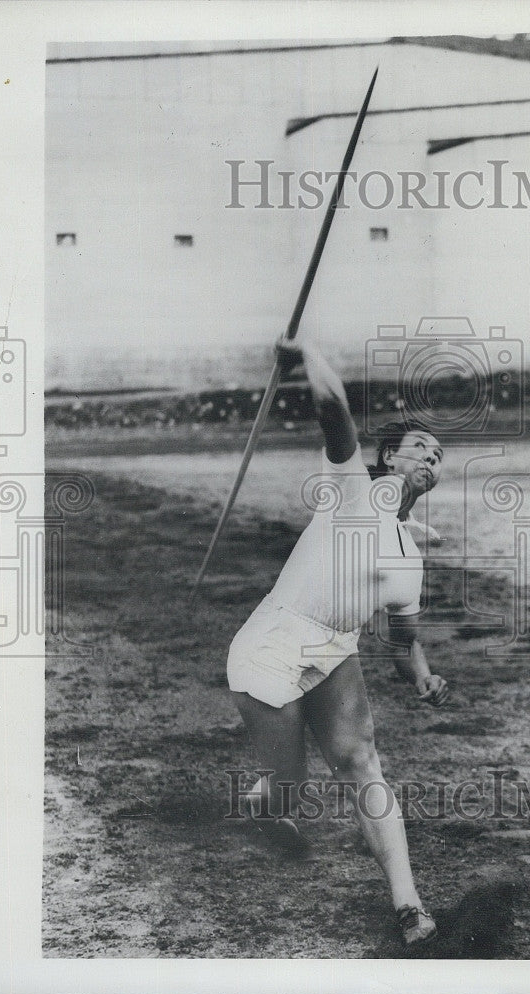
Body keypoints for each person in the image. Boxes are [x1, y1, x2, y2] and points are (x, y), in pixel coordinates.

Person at [226, 337, 449, 947]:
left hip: (334, 650)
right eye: (418, 447)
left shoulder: (410, 557)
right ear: (386, 458)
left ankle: (408, 903)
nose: (431, 456)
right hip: (271, 643)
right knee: (290, 788)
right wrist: (306, 357)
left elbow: (404, 642)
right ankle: (261, 804)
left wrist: (423, 676)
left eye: (438, 453)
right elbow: (334, 411)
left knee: (362, 762)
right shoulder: (353, 490)